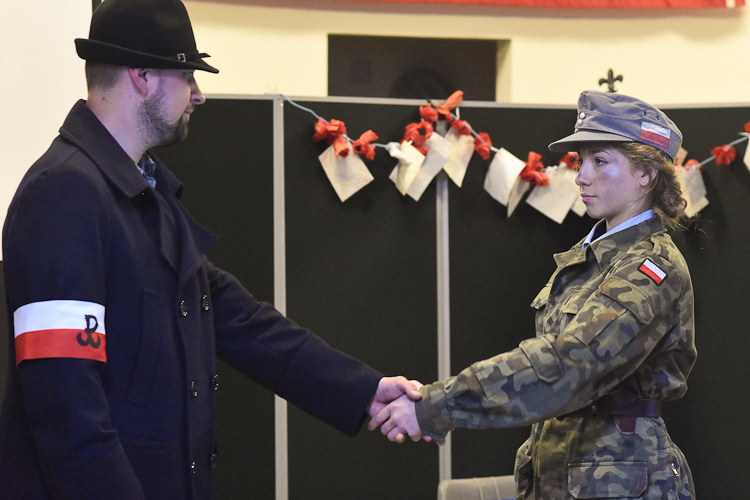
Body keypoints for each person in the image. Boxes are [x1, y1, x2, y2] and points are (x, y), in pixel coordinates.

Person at [0, 1, 420, 499]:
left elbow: (243, 321)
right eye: (188, 76)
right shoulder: (63, 193)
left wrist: (363, 390)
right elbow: (65, 407)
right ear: (142, 76)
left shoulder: (142, 193)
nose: (199, 95)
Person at [370, 90, 697, 499]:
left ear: (646, 173)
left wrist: (437, 405)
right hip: (562, 475)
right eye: (582, 160)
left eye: (601, 161)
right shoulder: (592, 256)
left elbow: (568, 363)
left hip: (621, 483)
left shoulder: (650, 267)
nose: (582, 175)